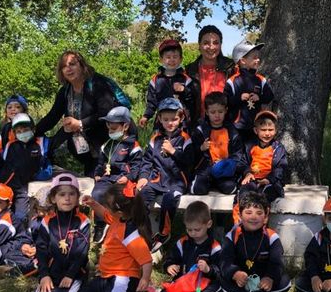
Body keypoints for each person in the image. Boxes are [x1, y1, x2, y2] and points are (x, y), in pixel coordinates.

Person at [54, 185, 152, 292]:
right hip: (104, 277)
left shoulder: (130, 233)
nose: (106, 207)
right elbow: (105, 214)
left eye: (108, 205)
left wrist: (145, 279)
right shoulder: (117, 219)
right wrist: (94, 204)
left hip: (122, 278)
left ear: (119, 211)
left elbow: (146, 260)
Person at [35, 50, 130, 175]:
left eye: (72, 64)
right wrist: (31, 131)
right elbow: (52, 117)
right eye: (64, 66)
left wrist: (80, 124)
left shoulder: (97, 84)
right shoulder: (65, 91)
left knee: (101, 175)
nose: (68, 69)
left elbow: (106, 113)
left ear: (82, 66)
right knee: (54, 149)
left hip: (108, 138)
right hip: (85, 143)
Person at [137, 98, 193, 253]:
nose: (170, 123)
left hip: (176, 182)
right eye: (166, 119)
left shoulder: (185, 139)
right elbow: (147, 161)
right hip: (156, 180)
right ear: (160, 119)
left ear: (181, 118)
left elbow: (189, 161)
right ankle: (141, 233)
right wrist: (143, 177)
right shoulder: (155, 139)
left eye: (174, 119)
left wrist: (174, 151)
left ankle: (163, 234)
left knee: (169, 200)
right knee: (141, 198)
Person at [220, 191, 291, 292]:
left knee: (285, 282)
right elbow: (224, 261)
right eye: (248, 213)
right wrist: (235, 274)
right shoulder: (232, 236)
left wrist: (269, 278)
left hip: (263, 283)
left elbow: (277, 263)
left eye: (259, 213)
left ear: (266, 217)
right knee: (221, 279)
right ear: (240, 215)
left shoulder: (272, 237)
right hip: (241, 282)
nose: (253, 217)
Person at [31, 173, 91, 292]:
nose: (67, 198)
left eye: (71, 194)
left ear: (77, 198)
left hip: (75, 272)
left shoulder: (83, 221)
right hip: (53, 270)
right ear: (53, 198)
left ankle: (75, 287)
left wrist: (70, 275)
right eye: (62, 194)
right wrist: (44, 275)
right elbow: (41, 250)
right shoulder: (47, 221)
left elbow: (82, 253)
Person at [153, 200, 222, 292]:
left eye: (197, 229)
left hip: (202, 287)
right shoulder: (182, 243)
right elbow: (171, 259)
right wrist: (170, 266)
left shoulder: (214, 247)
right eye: (189, 230)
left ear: (209, 224)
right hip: (183, 284)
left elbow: (220, 272)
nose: (193, 233)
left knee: (216, 288)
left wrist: (208, 269)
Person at [91, 106, 143, 243]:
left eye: (113, 129)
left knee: (122, 199)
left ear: (125, 126)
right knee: (97, 194)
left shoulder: (133, 146)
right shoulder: (106, 145)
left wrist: (129, 177)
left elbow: (137, 167)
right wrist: (97, 174)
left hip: (123, 180)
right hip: (107, 178)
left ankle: (127, 227)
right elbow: (100, 164)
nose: (110, 131)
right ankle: (100, 225)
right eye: (109, 129)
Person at [0, 112, 43, 222]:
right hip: (6, 185)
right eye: (19, 132)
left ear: (32, 130)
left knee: (20, 216)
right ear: (15, 133)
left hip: (23, 188)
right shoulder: (10, 146)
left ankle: (19, 235)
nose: (23, 133)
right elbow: (0, 160)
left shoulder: (39, 145)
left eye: (25, 130)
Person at [189, 91, 245, 196]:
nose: (217, 115)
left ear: (226, 111)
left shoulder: (232, 131)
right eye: (213, 112)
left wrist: (229, 163)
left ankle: (218, 182)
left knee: (230, 188)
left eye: (220, 112)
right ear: (206, 112)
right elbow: (190, 152)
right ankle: (208, 182)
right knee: (197, 189)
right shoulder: (200, 130)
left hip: (224, 169)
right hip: (205, 169)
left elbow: (238, 153)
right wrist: (200, 148)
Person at [224, 40, 275, 141]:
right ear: (243, 61)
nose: (258, 60)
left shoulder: (261, 79)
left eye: (258, 57)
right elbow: (225, 101)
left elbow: (270, 96)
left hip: (256, 127)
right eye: (254, 57)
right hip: (236, 127)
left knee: (253, 154)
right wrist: (239, 98)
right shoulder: (232, 81)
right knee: (238, 154)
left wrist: (259, 97)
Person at [139, 39, 195, 127]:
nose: (172, 60)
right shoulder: (155, 80)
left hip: (181, 123)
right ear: (161, 60)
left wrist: (184, 90)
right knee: (159, 140)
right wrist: (146, 116)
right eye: (168, 57)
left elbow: (193, 100)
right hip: (161, 123)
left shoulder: (186, 79)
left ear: (180, 59)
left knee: (182, 140)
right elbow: (151, 102)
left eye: (175, 57)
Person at [238, 110, 288, 209]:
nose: (267, 133)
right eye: (263, 130)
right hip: (252, 180)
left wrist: (269, 179)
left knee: (265, 196)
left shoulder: (278, 148)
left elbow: (281, 167)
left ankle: (262, 221)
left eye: (270, 130)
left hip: (270, 183)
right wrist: (247, 173)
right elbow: (242, 162)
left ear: (276, 130)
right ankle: (243, 220)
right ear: (256, 131)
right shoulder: (250, 146)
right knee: (245, 194)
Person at [185, 25, 236, 120]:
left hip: (227, 126)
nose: (211, 47)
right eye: (206, 43)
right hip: (198, 126)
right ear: (199, 45)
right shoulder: (189, 70)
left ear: (221, 45)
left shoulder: (231, 67)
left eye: (216, 43)